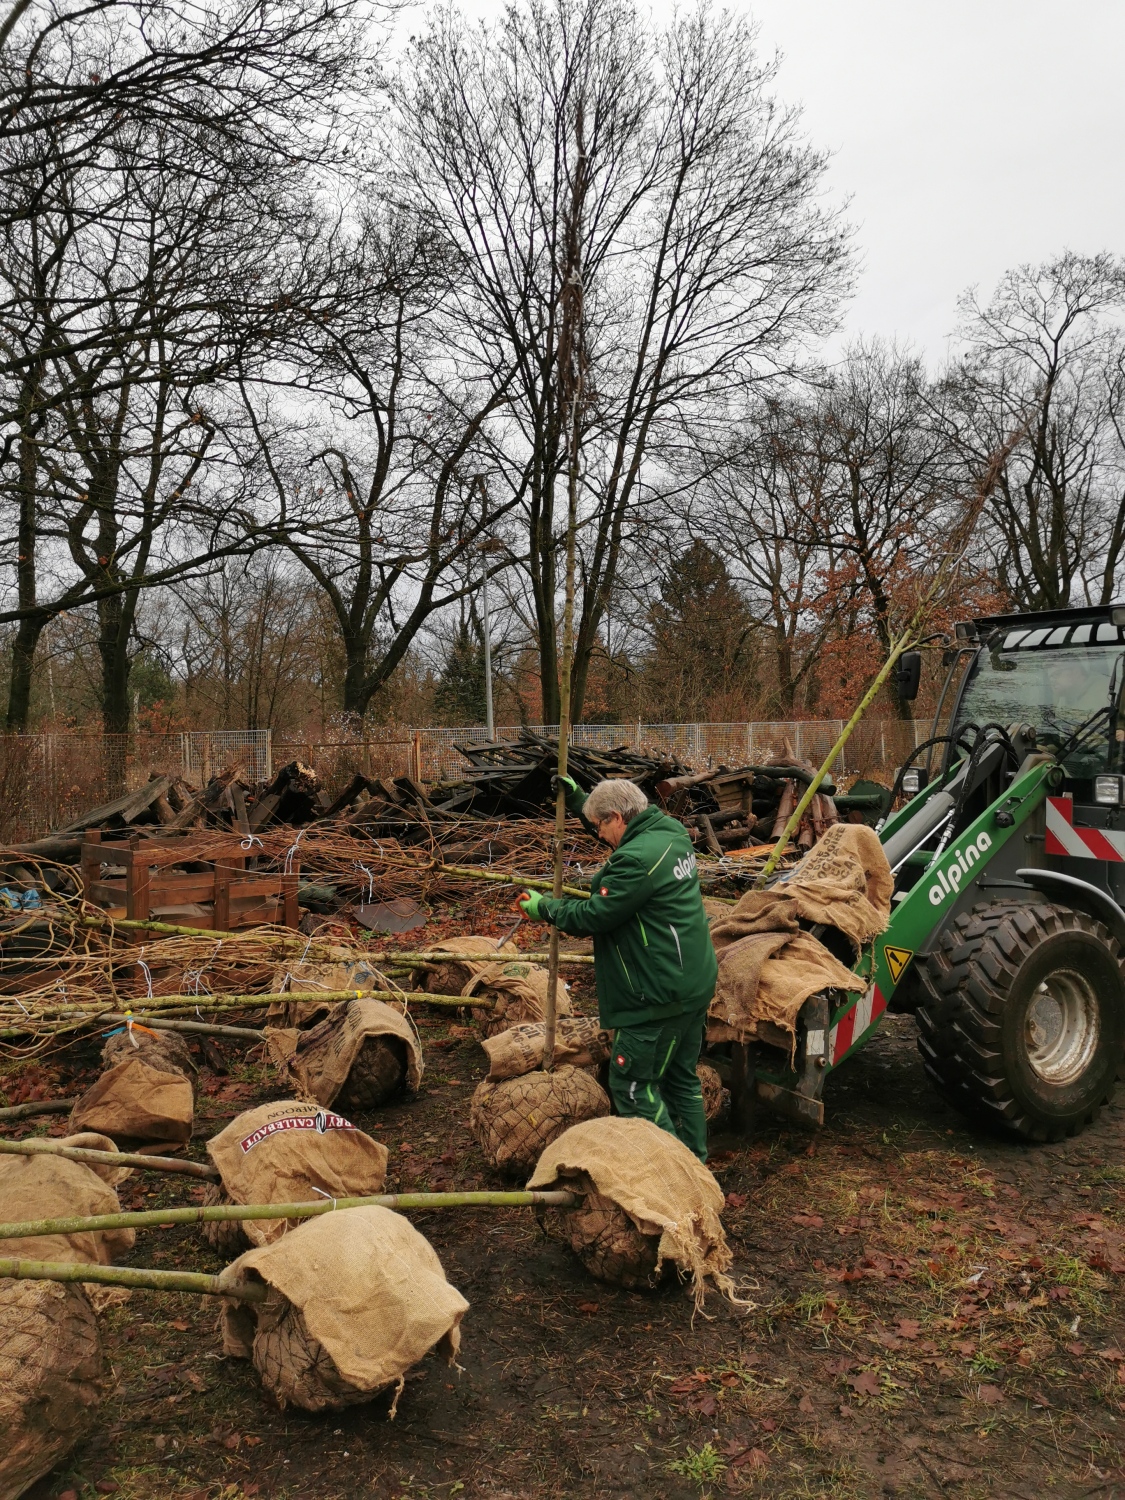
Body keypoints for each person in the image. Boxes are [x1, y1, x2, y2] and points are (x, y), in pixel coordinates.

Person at [519, 777, 717, 1161]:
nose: (600, 835)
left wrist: (545, 908)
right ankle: (696, 1161)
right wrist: (579, 800)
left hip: (657, 993)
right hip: (692, 981)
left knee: (631, 1084)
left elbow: (596, 915)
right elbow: (625, 836)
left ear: (616, 817)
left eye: (599, 826)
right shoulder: (671, 832)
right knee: (681, 1078)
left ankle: (671, 1172)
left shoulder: (634, 860)